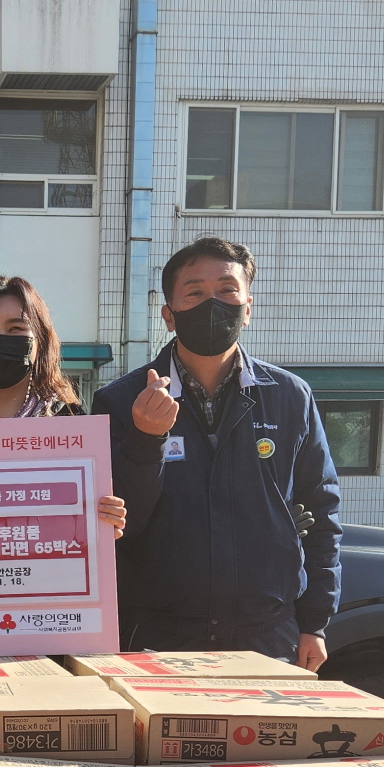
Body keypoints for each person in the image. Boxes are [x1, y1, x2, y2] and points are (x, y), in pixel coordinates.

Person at [96, 236, 341, 668]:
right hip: (154, 636)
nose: (213, 303)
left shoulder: (289, 396)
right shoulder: (120, 400)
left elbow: (322, 513)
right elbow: (118, 523)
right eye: (194, 292)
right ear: (169, 316)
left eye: (227, 290)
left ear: (248, 307)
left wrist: (314, 623)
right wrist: (146, 438)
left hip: (267, 635)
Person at [0, 273, 126, 539]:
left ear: (40, 341)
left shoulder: (72, 423)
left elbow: (84, 524)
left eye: (16, 328)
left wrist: (104, 522)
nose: (0, 339)